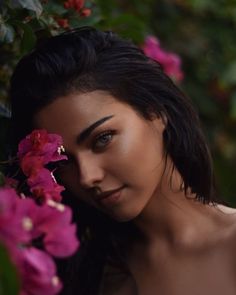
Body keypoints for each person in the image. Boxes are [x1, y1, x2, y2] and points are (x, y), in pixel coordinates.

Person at [9, 26, 236, 295]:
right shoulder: (86, 277)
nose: (87, 176)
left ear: (155, 112)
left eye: (102, 139)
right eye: (63, 162)